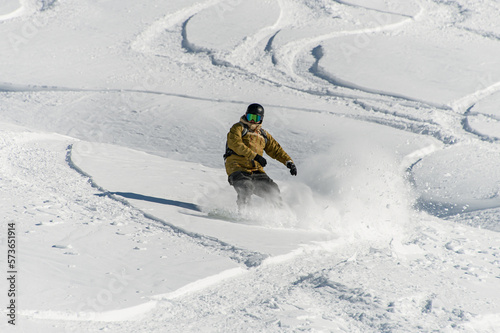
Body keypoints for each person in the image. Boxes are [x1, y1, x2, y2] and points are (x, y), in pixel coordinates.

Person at [224, 103, 297, 210]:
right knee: (246, 187)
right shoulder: (238, 128)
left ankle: (277, 214)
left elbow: (276, 150)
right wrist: (255, 156)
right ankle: (244, 211)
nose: (252, 121)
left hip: (256, 171)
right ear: (245, 115)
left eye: (255, 118)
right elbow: (235, 145)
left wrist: (288, 162)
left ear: (261, 119)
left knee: (272, 189)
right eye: (250, 117)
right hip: (237, 167)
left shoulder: (263, 134)